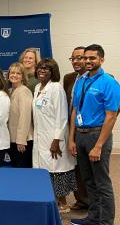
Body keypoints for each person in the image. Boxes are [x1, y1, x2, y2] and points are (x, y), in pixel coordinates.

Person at [68, 44, 120, 225]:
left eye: (92, 58)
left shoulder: (109, 82)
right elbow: (75, 109)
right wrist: (71, 138)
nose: (87, 61)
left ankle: (105, 222)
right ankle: (93, 218)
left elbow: (111, 116)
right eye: (85, 58)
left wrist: (98, 145)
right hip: (81, 135)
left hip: (97, 135)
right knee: (88, 181)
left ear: (101, 60)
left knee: (102, 182)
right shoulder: (81, 80)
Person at [32, 58, 75, 214]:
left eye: (47, 69)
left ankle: (63, 204)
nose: (42, 71)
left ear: (53, 72)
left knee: (56, 169)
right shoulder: (37, 87)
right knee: (45, 170)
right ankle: (50, 200)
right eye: (40, 68)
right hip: (40, 136)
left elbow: (62, 116)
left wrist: (56, 140)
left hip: (53, 137)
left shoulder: (56, 88)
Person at [63, 46, 89, 211]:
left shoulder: (103, 78)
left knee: (93, 171)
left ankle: (95, 205)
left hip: (91, 130)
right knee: (77, 167)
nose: (76, 61)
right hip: (72, 129)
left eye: (80, 57)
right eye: (73, 58)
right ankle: (82, 201)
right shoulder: (69, 78)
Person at [7, 62, 33, 168]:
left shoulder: (24, 91)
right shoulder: (10, 91)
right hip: (12, 139)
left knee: (23, 171)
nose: (14, 75)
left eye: (18, 73)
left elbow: (25, 117)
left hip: (22, 141)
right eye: (12, 72)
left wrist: (21, 140)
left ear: (23, 77)